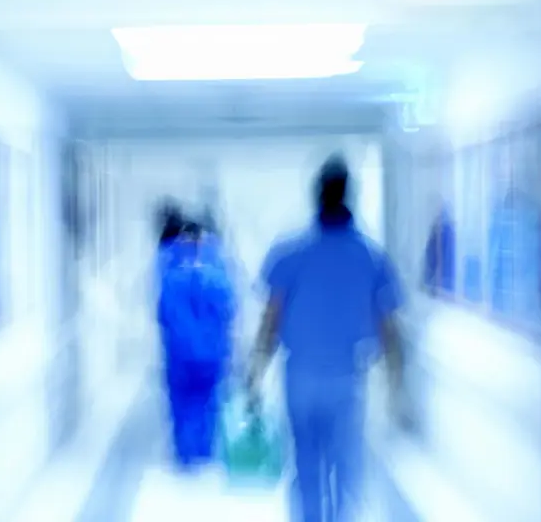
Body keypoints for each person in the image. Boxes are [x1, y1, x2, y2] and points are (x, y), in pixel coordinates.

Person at [246, 154, 405, 521]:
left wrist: (254, 373)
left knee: (305, 467)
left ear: (316, 194)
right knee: (348, 468)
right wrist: (397, 384)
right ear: (349, 194)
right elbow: (389, 327)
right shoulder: (370, 255)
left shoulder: (289, 251)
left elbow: (270, 319)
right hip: (348, 378)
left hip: (299, 376)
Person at [158, 220, 237, 469]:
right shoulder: (218, 278)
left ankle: (185, 454)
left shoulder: (171, 278)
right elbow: (229, 313)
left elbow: (163, 316)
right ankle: (204, 450)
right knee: (209, 400)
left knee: (182, 402)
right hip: (211, 353)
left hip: (179, 354)